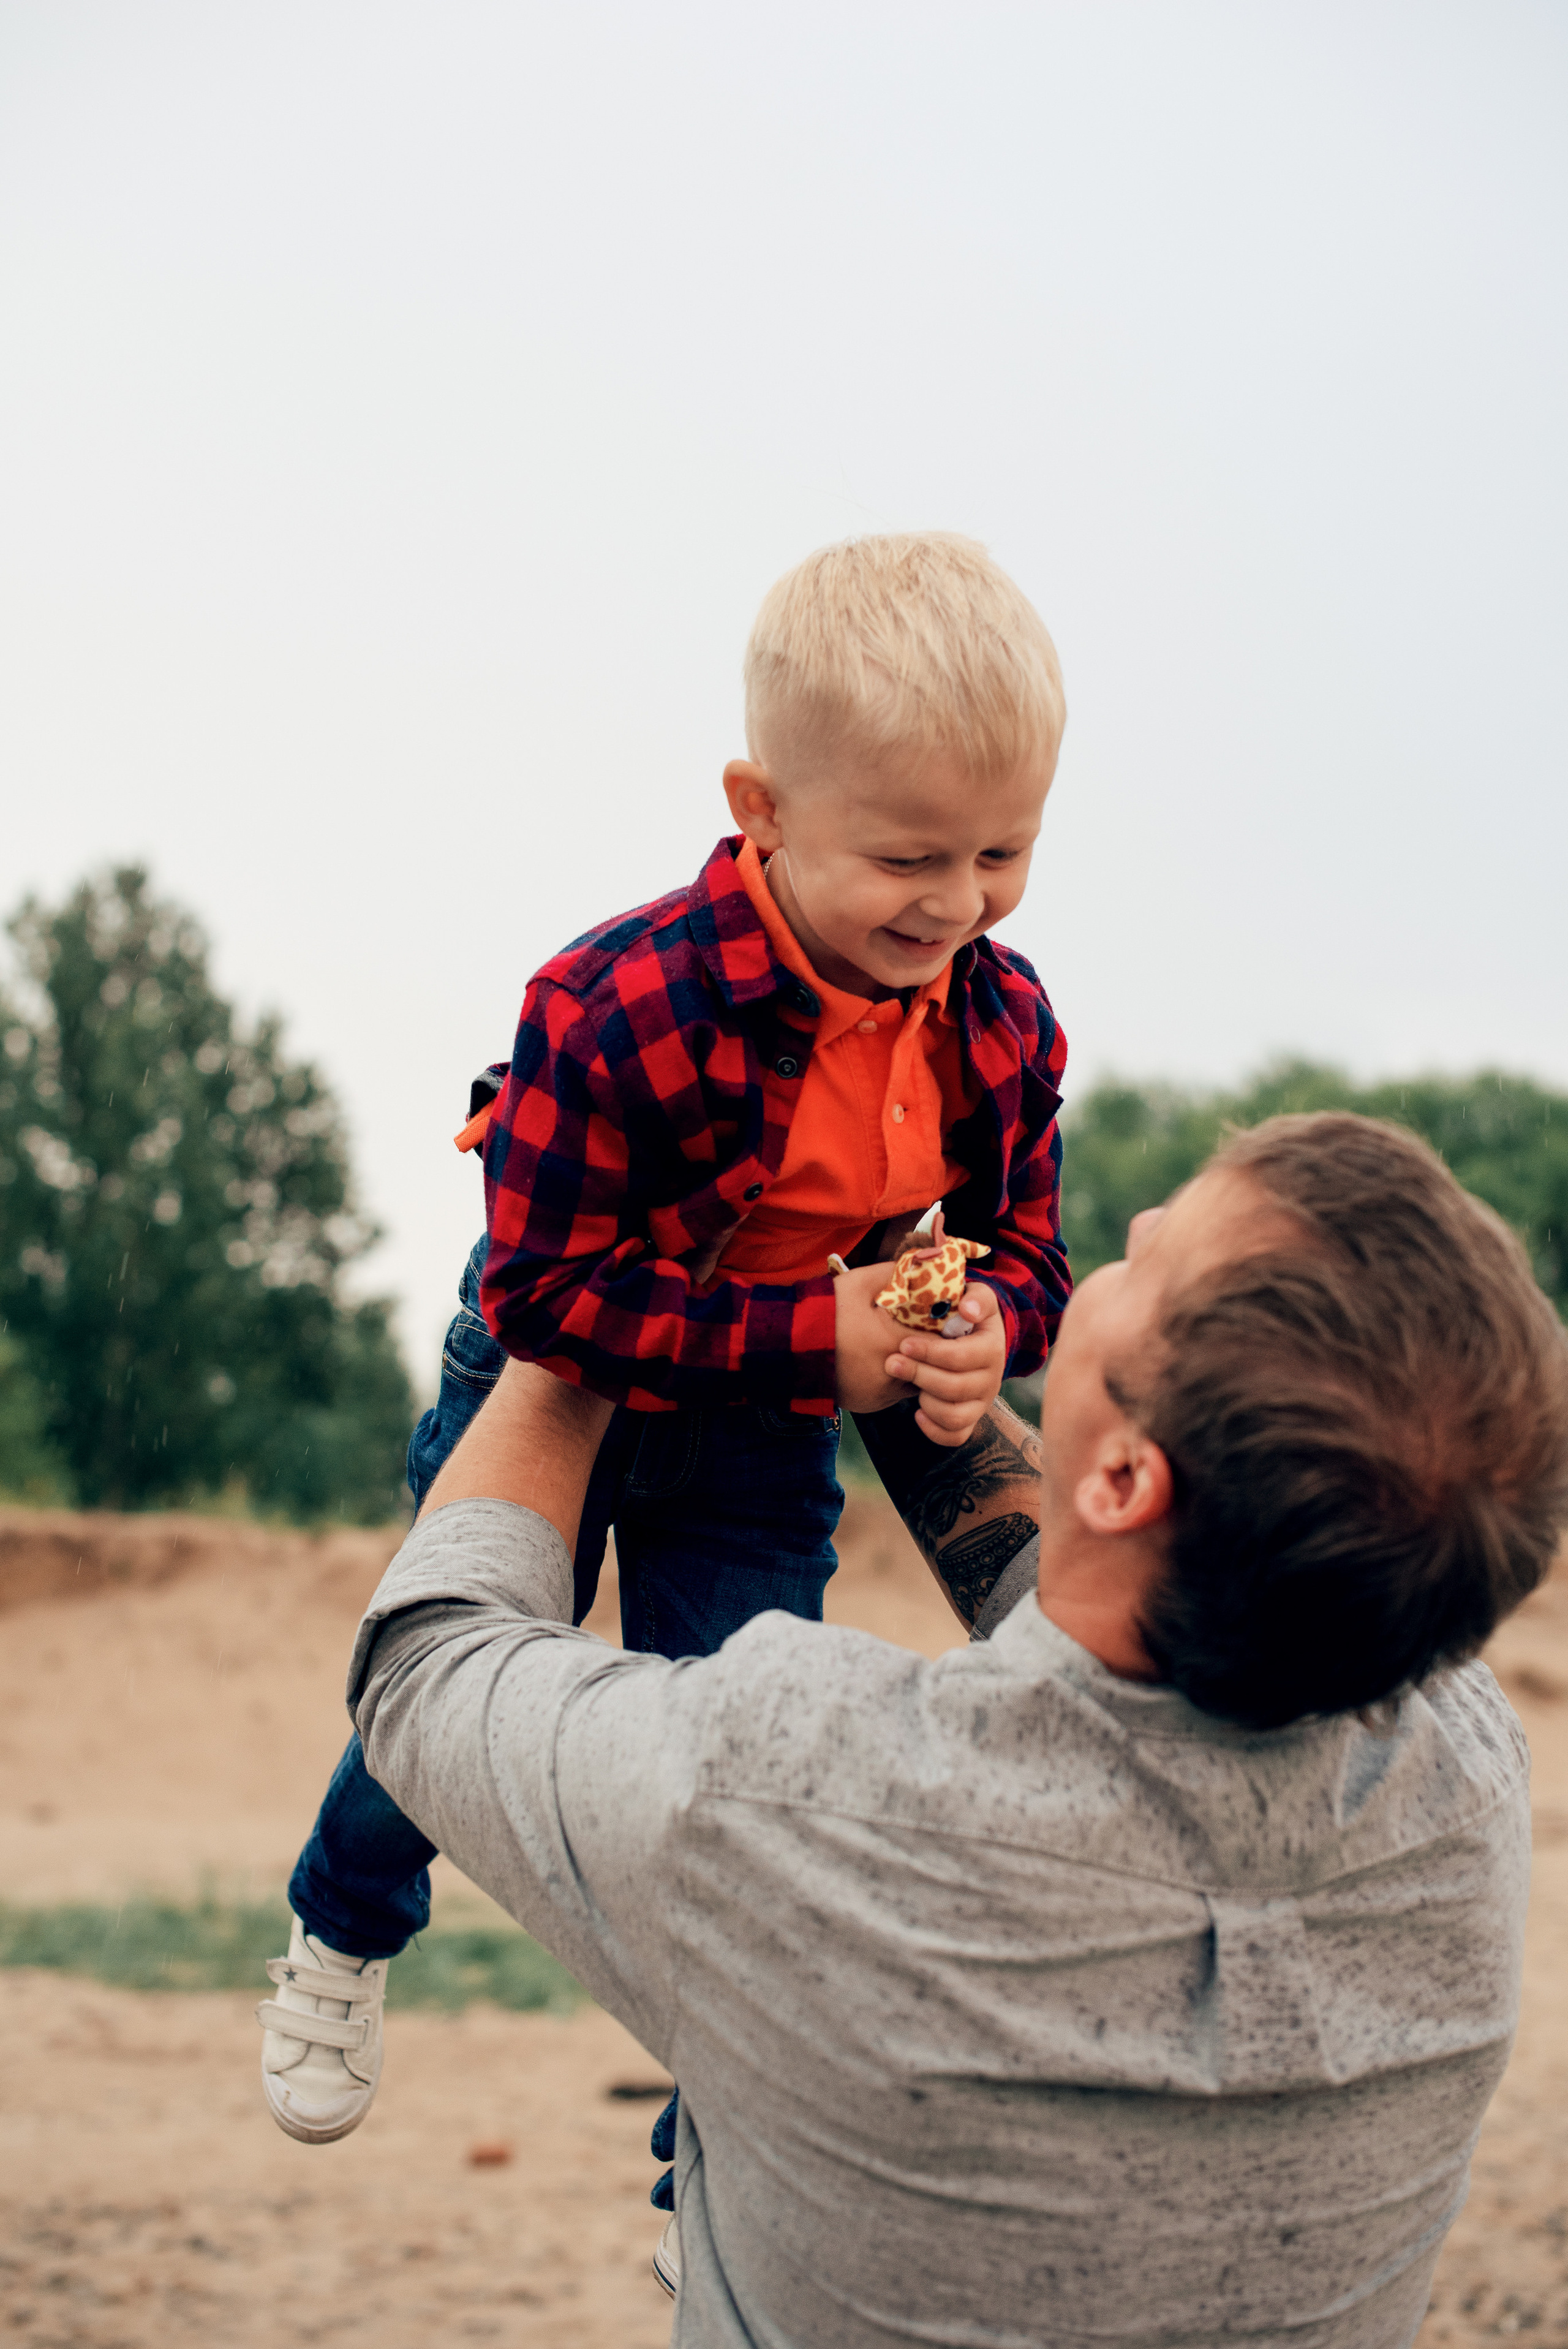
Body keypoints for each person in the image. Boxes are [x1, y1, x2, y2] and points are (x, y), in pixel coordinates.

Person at [344, 1113, 1563, 2341]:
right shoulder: (1460, 1785)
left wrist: (601, 1293)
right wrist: (873, 1275)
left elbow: (427, 1661)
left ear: (1130, 1481)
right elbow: (1114, 1582)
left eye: (1152, 1268)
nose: (1129, 1229)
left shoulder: (797, 1801)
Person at [258, 532, 1072, 2146]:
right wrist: (816, 1338)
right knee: (466, 1685)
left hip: (760, 1426)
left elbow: (1020, 1244)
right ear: (761, 808)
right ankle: (345, 1927)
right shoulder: (612, 1003)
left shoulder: (999, 1017)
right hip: (558, 1387)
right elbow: (543, 1295)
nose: (958, 902)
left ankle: (700, 2190)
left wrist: (974, 1322)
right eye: (911, 855)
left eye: (1004, 852)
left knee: (741, 1771)